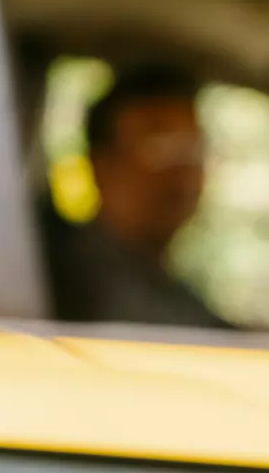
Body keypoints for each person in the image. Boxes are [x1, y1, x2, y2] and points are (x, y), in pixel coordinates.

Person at [42, 62, 230, 328]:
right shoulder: (62, 285)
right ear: (100, 167)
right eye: (159, 150)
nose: (182, 172)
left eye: (192, 148)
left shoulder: (172, 294)